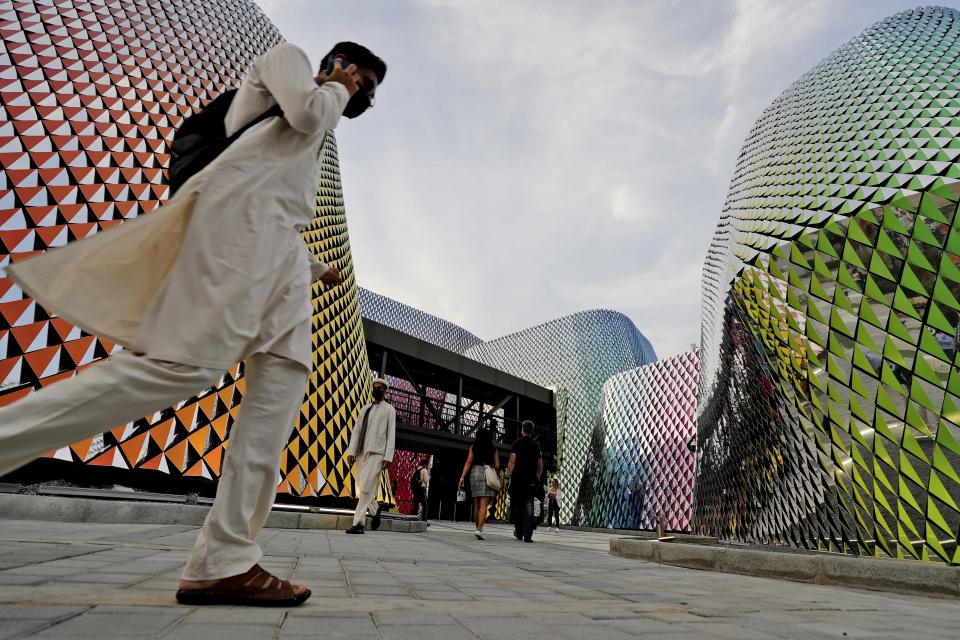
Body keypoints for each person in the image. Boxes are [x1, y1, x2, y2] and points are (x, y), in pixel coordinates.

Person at [0, 41, 386, 607]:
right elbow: (303, 117)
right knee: (181, 367)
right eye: (363, 79)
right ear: (337, 63)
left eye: (370, 90)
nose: (363, 93)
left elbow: (279, 193)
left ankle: (225, 559)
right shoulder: (293, 67)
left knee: (282, 387)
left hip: (280, 252)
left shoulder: (318, 123)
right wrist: (336, 85)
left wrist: (314, 266)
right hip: (234, 228)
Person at [345, 378, 396, 534]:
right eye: (375, 387)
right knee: (361, 487)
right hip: (361, 453)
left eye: (380, 388)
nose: (377, 390)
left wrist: (388, 456)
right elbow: (356, 431)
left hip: (377, 454)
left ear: (385, 390)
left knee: (366, 487)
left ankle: (358, 524)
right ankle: (375, 509)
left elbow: (391, 434)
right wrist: (351, 451)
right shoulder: (365, 409)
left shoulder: (389, 410)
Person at [458, 427, 500, 540]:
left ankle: (477, 528)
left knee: (476, 505)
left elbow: (468, 462)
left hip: (475, 473)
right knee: (483, 506)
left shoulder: (473, 447)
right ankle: (479, 529)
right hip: (487, 473)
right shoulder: (493, 449)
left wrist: (462, 477)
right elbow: (497, 465)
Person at [505, 420, 543, 543]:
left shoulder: (517, 443)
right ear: (531, 430)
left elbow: (512, 461)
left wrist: (507, 476)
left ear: (522, 429)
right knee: (529, 506)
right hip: (530, 480)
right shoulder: (535, 445)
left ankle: (519, 531)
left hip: (517, 479)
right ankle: (528, 535)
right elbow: (540, 465)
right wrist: (537, 476)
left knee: (517, 505)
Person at [411, 458, 429, 522]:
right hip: (421, 489)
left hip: (415, 489)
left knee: (416, 504)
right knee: (425, 505)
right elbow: (426, 480)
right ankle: (424, 520)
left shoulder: (416, 470)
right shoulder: (424, 470)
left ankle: (413, 518)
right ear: (425, 464)